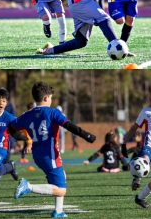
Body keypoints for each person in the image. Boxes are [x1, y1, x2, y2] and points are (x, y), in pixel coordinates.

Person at [8, 81, 96, 218]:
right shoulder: (53, 112)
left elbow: (11, 127)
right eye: (50, 97)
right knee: (61, 190)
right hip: (51, 156)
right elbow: (68, 125)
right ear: (45, 98)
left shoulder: (27, 114)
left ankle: (58, 211)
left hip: (38, 156)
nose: (51, 100)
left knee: (62, 177)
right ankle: (28, 186)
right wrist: (86, 135)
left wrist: (22, 138)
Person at [0, 87, 28, 196]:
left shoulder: (9, 117)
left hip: (2, 149)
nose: (1, 103)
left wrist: (29, 140)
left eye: (3, 101)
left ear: (6, 103)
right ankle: (11, 166)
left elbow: (23, 128)